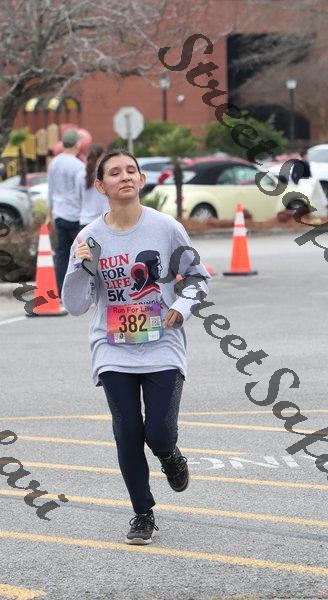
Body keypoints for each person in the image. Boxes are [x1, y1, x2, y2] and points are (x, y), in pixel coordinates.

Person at [62, 150, 211, 545]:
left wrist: (180, 307)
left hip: (163, 342)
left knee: (159, 432)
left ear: (142, 180)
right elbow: (76, 305)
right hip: (113, 347)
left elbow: (198, 277)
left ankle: (169, 455)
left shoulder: (166, 228)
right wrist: (80, 265)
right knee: (127, 430)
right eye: (114, 172)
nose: (124, 176)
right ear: (100, 186)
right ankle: (143, 513)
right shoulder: (89, 238)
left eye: (131, 170)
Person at [46, 129, 85, 295]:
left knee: (62, 252)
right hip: (76, 214)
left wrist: (49, 215)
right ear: (77, 144)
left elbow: (50, 190)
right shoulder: (78, 165)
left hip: (59, 213)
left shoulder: (54, 163)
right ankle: (78, 290)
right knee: (80, 253)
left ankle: (60, 288)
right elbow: (81, 192)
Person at [76, 144, 110, 228]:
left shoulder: (80, 175)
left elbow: (78, 198)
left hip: (85, 221)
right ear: (100, 158)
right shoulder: (106, 175)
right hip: (103, 221)